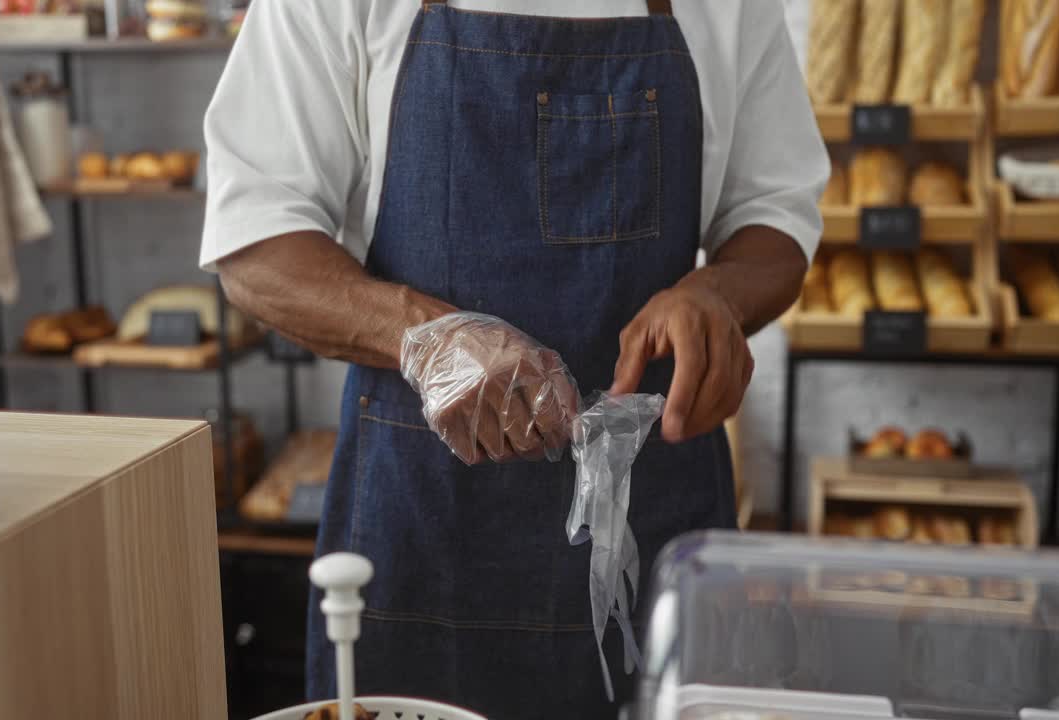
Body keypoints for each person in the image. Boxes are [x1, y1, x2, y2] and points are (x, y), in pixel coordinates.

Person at [201, 1, 828, 716]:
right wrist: (424, 336)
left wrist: (719, 293)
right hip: (421, 528)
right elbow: (254, 240)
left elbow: (775, 216)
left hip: (652, 522)